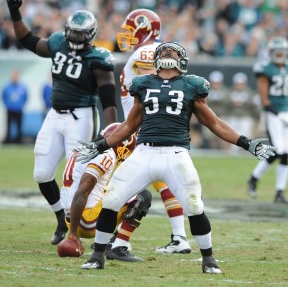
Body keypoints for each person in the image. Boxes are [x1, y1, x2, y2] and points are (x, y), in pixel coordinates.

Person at [74, 42, 276, 274]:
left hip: (176, 154)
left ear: (182, 59)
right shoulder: (143, 84)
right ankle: (98, 256)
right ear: (156, 60)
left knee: (193, 205)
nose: (168, 53)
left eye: (173, 51)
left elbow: (215, 123)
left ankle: (208, 260)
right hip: (144, 153)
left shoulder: (191, 85)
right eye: (165, 51)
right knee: (111, 200)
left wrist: (247, 143)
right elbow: (130, 124)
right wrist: (100, 145)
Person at [6, 0, 118, 245]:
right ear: (67, 31)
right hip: (55, 114)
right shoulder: (58, 43)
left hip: (82, 117)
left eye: (81, 34)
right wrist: (15, 13)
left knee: (76, 179)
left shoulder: (99, 59)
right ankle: (61, 219)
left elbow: (109, 100)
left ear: (90, 35)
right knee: (42, 173)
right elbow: (29, 40)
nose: (76, 39)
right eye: (73, 33)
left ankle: (84, 232)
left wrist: (111, 133)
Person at [116, 8, 191, 254]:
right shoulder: (153, 51)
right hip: (142, 127)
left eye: (130, 29)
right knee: (163, 183)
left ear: (144, 28)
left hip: (143, 128)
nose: (126, 34)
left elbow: (157, 86)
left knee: (124, 182)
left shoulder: (146, 52)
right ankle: (179, 237)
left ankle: (118, 239)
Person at [60, 123, 151, 262]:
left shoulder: (85, 149)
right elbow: (81, 194)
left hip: (70, 218)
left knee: (112, 187)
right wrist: (72, 234)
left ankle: (107, 240)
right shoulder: (105, 154)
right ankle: (118, 247)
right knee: (142, 195)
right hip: (85, 221)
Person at [247, 36, 288, 203]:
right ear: (270, 53)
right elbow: (264, 99)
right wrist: (278, 114)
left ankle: (279, 192)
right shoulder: (265, 69)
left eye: (282, 51)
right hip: (273, 113)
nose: (279, 54)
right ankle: (254, 177)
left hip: (286, 112)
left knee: (286, 154)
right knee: (278, 150)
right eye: (276, 51)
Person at [226, 72, 259, 152]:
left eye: (241, 84)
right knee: (231, 136)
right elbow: (225, 105)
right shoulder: (229, 92)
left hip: (245, 117)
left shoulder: (250, 93)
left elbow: (254, 106)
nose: (239, 86)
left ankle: (245, 152)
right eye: (237, 84)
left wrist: (244, 102)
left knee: (246, 136)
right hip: (233, 117)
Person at [2, 68, 28, 144]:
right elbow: (3, 96)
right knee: (9, 125)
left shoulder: (22, 87)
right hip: (9, 109)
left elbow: (26, 97)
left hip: (19, 109)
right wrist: (7, 105)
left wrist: (21, 105)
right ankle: (8, 140)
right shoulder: (7, 86)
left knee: (19, 126)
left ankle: (19, 140)